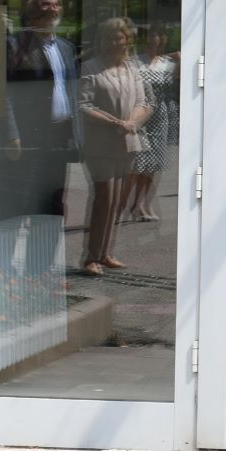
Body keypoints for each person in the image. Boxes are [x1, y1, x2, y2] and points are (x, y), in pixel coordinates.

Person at [0, 0, 81, 278]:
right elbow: (2, 92)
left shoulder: (65, 47)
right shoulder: (15, 45)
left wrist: (76, 135)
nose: (53, 8)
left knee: (51, 206)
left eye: (57, 4)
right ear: (31, 14)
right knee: (14, 205)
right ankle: (4, 269)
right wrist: (10, 134)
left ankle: (38, 271)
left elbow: (70, 91)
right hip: (24, 140)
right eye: (45, 4)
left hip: (56, 140)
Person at [79, 17, 153, 276]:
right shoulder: (91, 67)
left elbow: (144, 102)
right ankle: (91, 257)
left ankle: (106, 253)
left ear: (127, 39)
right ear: (101, 41)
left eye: (119, 37)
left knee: (119, 200)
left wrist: (132, 123)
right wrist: (115, 123)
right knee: (105, 198)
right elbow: (84, 105)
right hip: (101, 142)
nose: (115, 42)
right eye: (109, 37)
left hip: (128, 140)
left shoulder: (132, 68)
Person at [124, 24, 179, 223]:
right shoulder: (134, 60)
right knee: (137, 161)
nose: (155, 39)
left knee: (154, 162)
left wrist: (173, 56)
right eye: (152, 35)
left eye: (159, 35)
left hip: (161, 114)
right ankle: (124, 204)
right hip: (139, 112)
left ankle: (142, 203)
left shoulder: (169, 62)